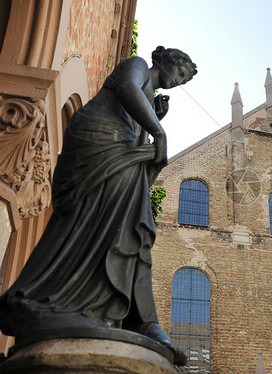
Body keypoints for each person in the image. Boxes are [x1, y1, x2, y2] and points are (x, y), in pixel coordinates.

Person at [0, 46, 196, 366]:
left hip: (124, 159)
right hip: (103, 150)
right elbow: (127, 88)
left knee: (133, 233)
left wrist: (154, 117)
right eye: (181, 74)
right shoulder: (137, 66)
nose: (180, 81)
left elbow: (135, 123)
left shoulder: (149, 92)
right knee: (93, 228)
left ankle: (141, 321)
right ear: (168, 62)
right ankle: (58, 301)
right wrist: (158, 130)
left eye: (184, 80)